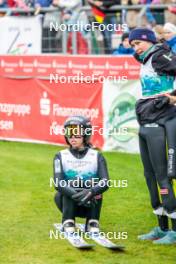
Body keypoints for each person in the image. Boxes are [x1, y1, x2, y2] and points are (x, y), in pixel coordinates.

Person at [129, 27, 176, 244]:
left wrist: (173, 96)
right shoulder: (147, 59)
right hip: (146, 121)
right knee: (149, 176)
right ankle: (160, 227)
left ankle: (174, 232)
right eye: (132, 45)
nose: (135, 48)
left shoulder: (160, 56)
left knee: (161, 175)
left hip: (161, 121)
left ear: (148, 41)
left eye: (138, 43)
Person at [53, 116, 109, 234]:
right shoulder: (60, 156)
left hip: (91, 203)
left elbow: (105, 181)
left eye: (77, 133)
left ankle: (92, 221)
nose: (72, 137)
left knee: (95, 185)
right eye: (69, 132)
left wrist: (91, 192)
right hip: (69, 202)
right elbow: (58, 183)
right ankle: (68, 220)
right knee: (69, 184)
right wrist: (78, 195)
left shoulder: (97, 156)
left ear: (86, 134)